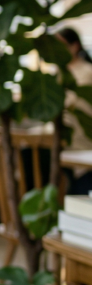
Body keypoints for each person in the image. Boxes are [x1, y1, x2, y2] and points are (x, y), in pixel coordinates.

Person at [58, 28, 92, 194]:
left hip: (82, 140)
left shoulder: (87, 72)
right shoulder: (58, 73)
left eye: (62, 46)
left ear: (75, 46)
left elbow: (73, 104)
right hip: (63, 141)